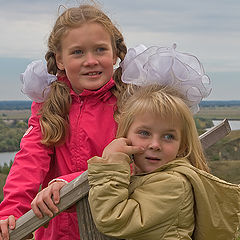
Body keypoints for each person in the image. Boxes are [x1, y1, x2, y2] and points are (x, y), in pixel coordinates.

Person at [0, 3, 127, 240]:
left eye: (100, 50)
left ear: (115, 54)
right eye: (78, 52)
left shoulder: (130, 104)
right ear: (60, 59)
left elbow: (138, 162)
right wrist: (11, 211)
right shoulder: (49, 106)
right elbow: (29, 160)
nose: (91, 61)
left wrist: (68, 183)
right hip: (58, 231)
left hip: (117, 228)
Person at [87, 46, 240, 239]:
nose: (155, 144)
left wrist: (112, 164)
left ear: (182, 145)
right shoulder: (155, 176)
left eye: (168, 136)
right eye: (144, 133)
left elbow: (112, 220)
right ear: (126, 135)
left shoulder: (173, 184)